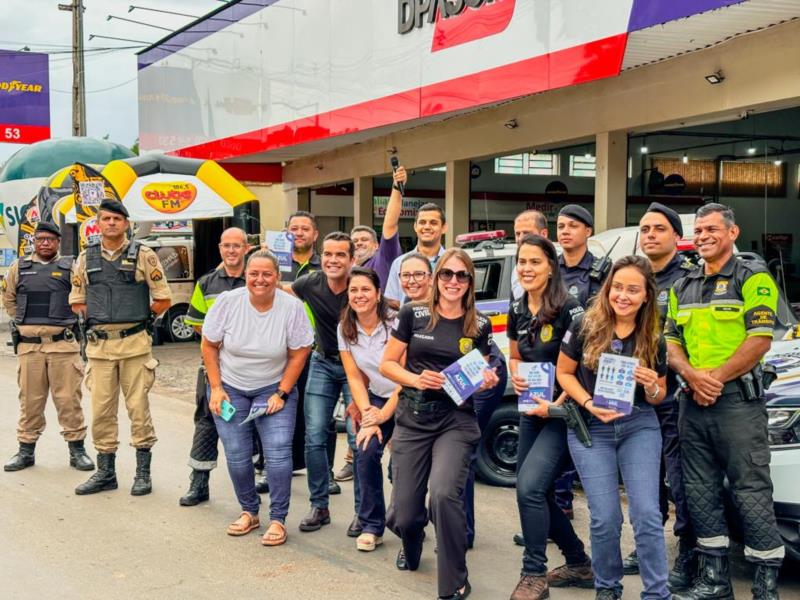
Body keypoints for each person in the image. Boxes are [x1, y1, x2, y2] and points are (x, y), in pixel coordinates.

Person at [666, 204, 784, 600]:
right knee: (700, 489)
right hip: (693, 401)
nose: (703, 236)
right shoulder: (683, 284)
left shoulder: (752, 276)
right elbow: (670, 341)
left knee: (751, 488)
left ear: (732, 233)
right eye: (698, 230)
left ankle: (765, 586)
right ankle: (714, 581)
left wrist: (711, 379)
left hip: (736, 402)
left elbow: (760, 338)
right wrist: (692, 376)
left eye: (712, 229)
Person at [381, 248, 500, 600]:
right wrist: (416, 380)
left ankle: (455, 581)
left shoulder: (479, 324)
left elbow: (483, 369)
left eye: (461, 276)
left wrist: (488, 379)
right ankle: (412, 542)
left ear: (470, 282)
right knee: (405, 513)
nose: (453, 281)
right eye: (446, 274)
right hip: (413, 418)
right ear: (436, 278)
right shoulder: (413, 313)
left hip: (456, 420)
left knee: (445, 496)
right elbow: (387, 364)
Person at [557, 255, 669, 600]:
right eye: (617, 287)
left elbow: (659, 395)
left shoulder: (654, 335)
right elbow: (564, 373)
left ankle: (657, 594)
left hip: (638, 425)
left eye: (632, 289)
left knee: (647, 515)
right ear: (607, 289)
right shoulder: (584, 326)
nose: (623, 295)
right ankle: (607, 588)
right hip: (592, 427)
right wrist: (589, 403)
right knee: (605, 518)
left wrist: (651, 384)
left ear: (646, 296)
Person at [202, 250, 313, 546]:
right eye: (254, 274)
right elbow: (209, 345)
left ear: (277, 277)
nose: (260, 280)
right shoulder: (228, 302)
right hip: (230, 387)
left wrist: (282, 392)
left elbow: (300, 351)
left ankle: (278, 519)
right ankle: (249, 511)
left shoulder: (291, 307)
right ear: (246, 276)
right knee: (237, 455)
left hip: (273, 387)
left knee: (277, 454)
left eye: (267, 274)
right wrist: (216, 388)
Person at [507, 235, 592, 600]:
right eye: (522, 262)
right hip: (531, 409)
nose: (526, 269)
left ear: (551, 267)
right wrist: (516, 373)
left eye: (534, 262)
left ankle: (534, 573)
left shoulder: (570, 308)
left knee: (529, 488)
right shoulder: (516, 307)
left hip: (562, 413)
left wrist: (553, 403)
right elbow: (515, 355)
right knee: (531, 490)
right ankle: (577, 562)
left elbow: (581, 368)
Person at [69, 199, 172, 496]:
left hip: (135, 347)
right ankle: (105, 472)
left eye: (117, 219)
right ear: (98, 224)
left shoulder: (144, 255)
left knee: (138, 410)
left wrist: (140, 320)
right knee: (101, 411)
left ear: (126, 223)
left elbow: (162, 298)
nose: (111, 223)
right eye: (106, 219)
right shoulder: (85, 258)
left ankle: (143, 473)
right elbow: (78, 301)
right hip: (100, 349)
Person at [622, 203, 696, 590]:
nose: (650, 234)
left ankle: (687, 553)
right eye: (645, 228)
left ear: (676, 236)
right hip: (637, 400)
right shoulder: (631, 277)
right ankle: (646, 547)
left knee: (681, 482)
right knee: (647, 485)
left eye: (659, 229)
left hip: (678, 399)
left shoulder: (689, 279)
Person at [2, 221, 93, 473]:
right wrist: (23, 323)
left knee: (68, 401)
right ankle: (25, 451)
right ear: (34, 241)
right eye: (40, 239)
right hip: (30, 349)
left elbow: (82, 297)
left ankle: (77, 451)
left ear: (57, 242)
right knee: (30, 401)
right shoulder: (19, 267)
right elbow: (8, 298)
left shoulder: (70, 267)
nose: (44, 243)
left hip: (62, 346)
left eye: (50, 239)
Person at [284, 232, 359, 534]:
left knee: (359, 440)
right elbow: (284, 292)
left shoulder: (360, 285)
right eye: (328, 254)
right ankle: (320, 506)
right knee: (314, 434)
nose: (333, 260)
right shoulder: (310, 283)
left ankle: (363, 512)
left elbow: (387, 307)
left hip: (357, 367)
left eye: (340, 255)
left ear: (352, 260)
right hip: (322, 362)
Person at [178, 227, 249, 507]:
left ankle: (255, 479)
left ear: (246, 249)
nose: (231, 251)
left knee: (252, 422)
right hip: (214, 366)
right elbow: (196, 323)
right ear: (220, 249)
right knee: (207, 422)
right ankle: (199, 481)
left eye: (237, 246)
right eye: (226, 246)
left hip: (249, 368)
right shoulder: (206, 283)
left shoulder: (255, 279)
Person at [553, 204, 609, 522]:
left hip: (589, 369)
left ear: (587, 231)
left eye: (572, 225)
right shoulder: (550, 269)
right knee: (556, 442)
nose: (565, 231)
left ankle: (597, 510)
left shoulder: (602, 270)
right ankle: (558, 510)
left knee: (589, 442)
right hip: (555, 365)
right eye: (560, 226)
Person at [338, 266, 398, 552]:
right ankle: (373, 524)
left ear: (378, 294)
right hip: (373, 397)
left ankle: (410, 522)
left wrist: (384, 414)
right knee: (365, 451)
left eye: (365, 290)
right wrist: (369, 415)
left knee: (404, 464)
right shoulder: (345, 328)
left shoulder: (397, 323)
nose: (359, 295)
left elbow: (407, 372)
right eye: (354, 290)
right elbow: (353, 376)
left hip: (405, 398)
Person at [351, 164, 406, 287]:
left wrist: (397, 187)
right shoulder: (347, 269)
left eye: (364, 239)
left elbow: (390, 225)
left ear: (377, 245)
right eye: (355, 240)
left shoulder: (383, 259)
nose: (359, 243)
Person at [384, 203, 448, 306]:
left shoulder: (452, 262)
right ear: (415, 226)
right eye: (422, 222)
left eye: (433, 223)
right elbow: (393, 302)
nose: (427, 227)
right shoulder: (399, 263)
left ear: (444, 228)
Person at [511, 210, 549, 301]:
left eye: (526, 233)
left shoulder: (558, 263)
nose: (520, 239)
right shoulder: (516, 267)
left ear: (543, 234)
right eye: (517, 234)